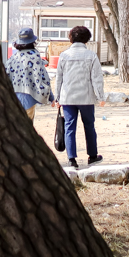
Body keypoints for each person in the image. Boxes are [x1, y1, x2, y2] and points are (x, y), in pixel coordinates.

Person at [53, 26, 105, 168]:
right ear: (87, 39)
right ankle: (92, 156)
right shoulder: (91, 55)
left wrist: (57, 97)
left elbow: (59, 78)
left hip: (67, 98)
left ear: (71, 37)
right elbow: (97, 78)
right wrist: (101, 96)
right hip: (86, 97)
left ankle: (71, 159)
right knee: (89, 126)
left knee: (70, 127)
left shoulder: (64, 55)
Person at [4, 27, 53, 121]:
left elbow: (6, 76)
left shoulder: (13, 58)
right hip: (29, 97)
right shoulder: (35, 57)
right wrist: (51, 97)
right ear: (33, 42)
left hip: (13, 98)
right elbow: (44, 78)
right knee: (27, 126)